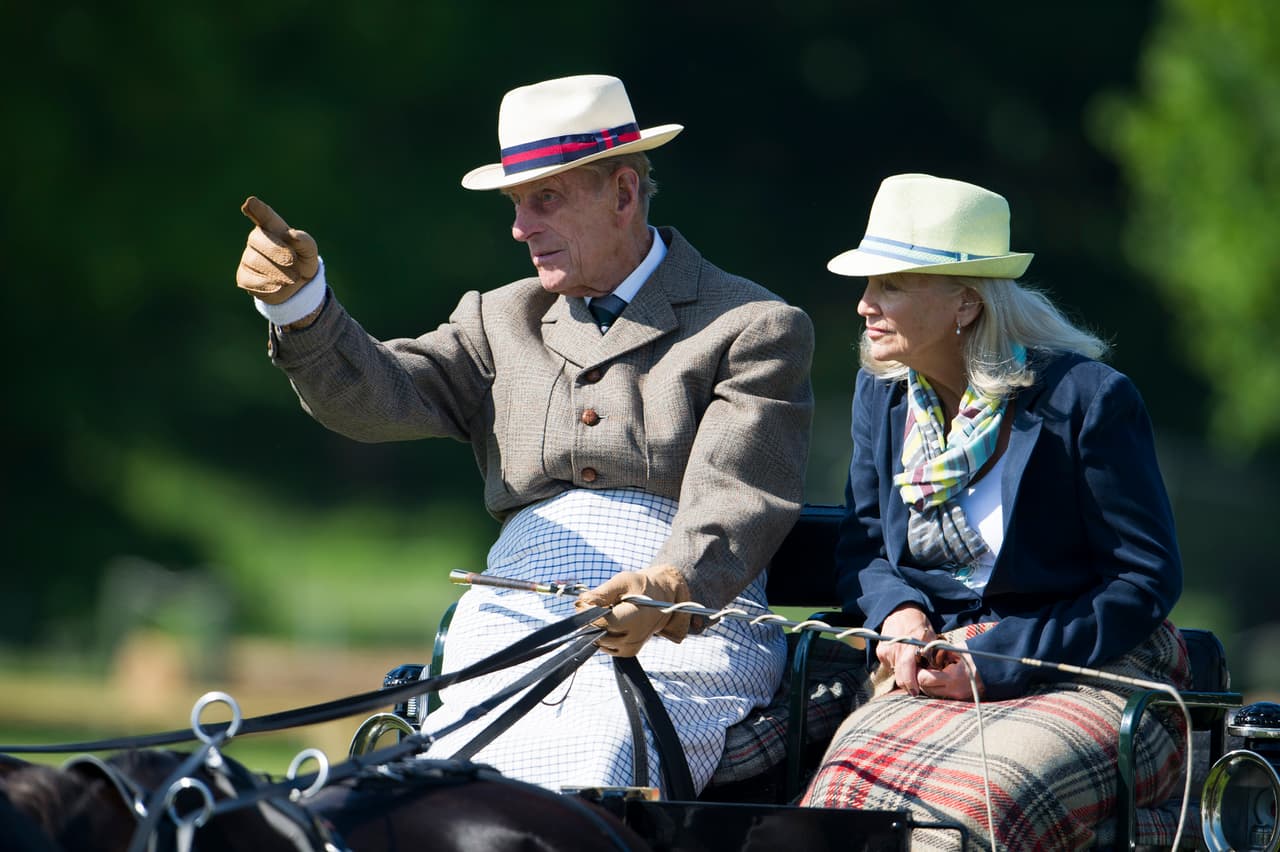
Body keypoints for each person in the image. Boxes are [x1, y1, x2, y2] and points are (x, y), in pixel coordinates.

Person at [234, 74, 814, 795]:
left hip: (687, 622)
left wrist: (669, 588)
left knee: (599, 751)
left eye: (545, 200)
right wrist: (301, 307)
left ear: (624, 193)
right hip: (512, 611)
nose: (519, 227)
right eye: (516, 205)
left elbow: (737, 494)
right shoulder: (497, 317)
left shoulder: (752, 324)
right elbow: (378, 398)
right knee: (440, 780)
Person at [800, 174, 1190, 849]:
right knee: (837, 801)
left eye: (890, 284)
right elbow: (864, 547)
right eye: (868, 285)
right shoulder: (882, 393)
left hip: (1090, 670)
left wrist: (995, 658)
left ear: (965, 304)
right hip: (933, 669)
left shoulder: (1088, 400)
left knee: (983, 805)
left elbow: (1143, 581)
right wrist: (899, 616)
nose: (865, 304)